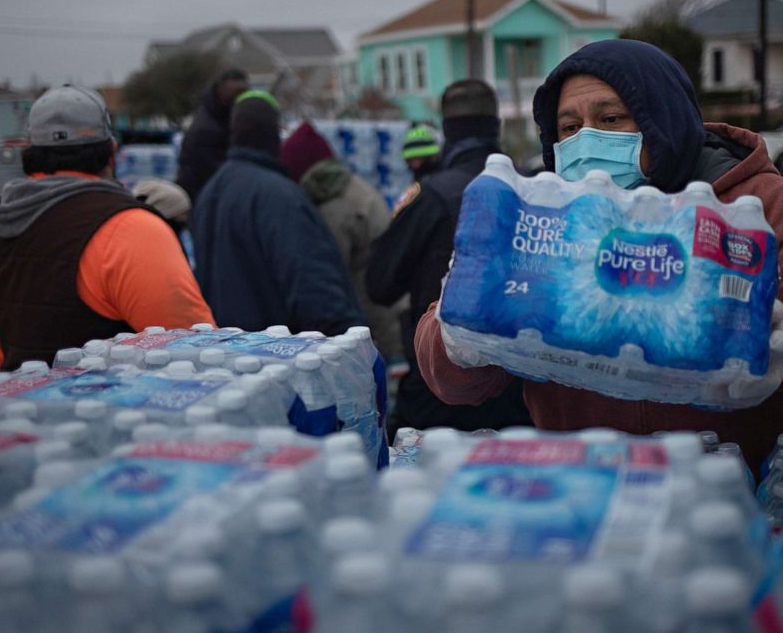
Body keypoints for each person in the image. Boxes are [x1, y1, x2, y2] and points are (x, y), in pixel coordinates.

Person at [412, 41, 783, 472]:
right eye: (568, 127)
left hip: (733, 493)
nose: (586, 141)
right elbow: (446, 375)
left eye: (610, 120)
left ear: (661, 119)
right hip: (587, 492)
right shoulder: (542, 218)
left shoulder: (750, 202)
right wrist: (461, 336)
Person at [0, 85, 214, 371]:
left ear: (28, 154)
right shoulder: (131, 229)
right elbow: (197, 352)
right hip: (113, 412)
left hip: (13, 408)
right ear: (111, 151)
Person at [367, 80, 532, 440]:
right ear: (497, 126)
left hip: (442, 383)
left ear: (446, 130)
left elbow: (379, 283)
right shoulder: (538, 189)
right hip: (525, 385)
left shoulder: (429, 196)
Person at [190, 90, 364, 335]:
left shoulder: (209, 192)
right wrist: (351, 343)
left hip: (230, 356)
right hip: (282, 357)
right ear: (273, 133)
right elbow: (314, 289)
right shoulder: (279, 197)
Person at [297, 156, 404, 362]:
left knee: (376, 375)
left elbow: (330, 270)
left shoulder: (335, 209)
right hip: (386, 298)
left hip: (371, 309)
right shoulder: (354, 186)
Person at [176, 69, 249, 201]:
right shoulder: (207, 129)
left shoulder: (223, 118)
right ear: (221, 90)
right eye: (235, 93)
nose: (239, 99)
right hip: (202, 197)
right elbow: (210, 173)